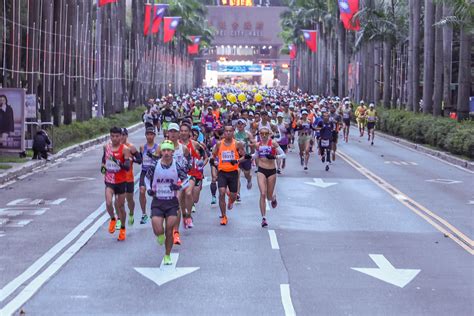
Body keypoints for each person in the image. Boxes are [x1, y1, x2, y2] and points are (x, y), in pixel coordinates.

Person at [145, 140, 189, 266]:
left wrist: (178, 187)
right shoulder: (155, 165)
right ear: (161, 152)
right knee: (158, 228)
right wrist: (149, 189)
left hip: (171, 202)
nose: (166, 153)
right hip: (158, 201)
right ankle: (159, 235)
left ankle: (167, 255)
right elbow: (147, 178)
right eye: (164, 150)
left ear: (172, 152)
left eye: (168, 150)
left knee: (169, 230)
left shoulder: (177, 165)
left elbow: (186, 179)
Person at [212, 124, 249, 225]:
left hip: (233, 172)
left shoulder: (237, 144)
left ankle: (231, 201)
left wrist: (236, 160)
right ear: (224, 133)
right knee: (222, 193)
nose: (228, 133)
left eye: (230, 131)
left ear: (233, 132)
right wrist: (214, 162)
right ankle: (224, 216)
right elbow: (214, 155)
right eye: (226, 131)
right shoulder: (219, 144)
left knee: (233, 195)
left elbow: (245, 156)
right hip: (222, 172)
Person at [101, 127, 131, 241]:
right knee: (109, 202)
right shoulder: (107, 147)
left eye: (117, 136)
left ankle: (123, 228)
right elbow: (104, 160)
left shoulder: (125, 149)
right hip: (109, 180)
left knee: (121, 206)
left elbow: (127, 167)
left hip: (121, 181)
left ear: (121, 136)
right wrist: (103, 167)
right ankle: (113, 219)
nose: (115, 138)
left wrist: (118, 162)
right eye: (112, 136)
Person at [254, 126, 286, 227]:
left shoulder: (273, 143)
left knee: (268, 196)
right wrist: (246, 157)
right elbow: (255, 155)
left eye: (265, 134)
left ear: (268, 134)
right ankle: (264, 218)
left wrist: (275, 157)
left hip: (271, 171)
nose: (263, 136)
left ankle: (273, 197)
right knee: (262, 194)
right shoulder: (257, 144)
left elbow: (283, 155)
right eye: (261, 134)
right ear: (259, 134)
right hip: (261, 170)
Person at [118, 128, 142, 227]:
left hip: (129, 178)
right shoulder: (115, 147)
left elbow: (140, 160)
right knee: (119, 200)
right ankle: (119, 219)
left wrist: (132, 159)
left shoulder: (131, 147)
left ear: (127, 136)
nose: (122, 137)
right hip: (118, 179)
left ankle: (131, 213)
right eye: (120, 135)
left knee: (129, 200)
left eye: (124, 135)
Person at [138, 127, 158, 225]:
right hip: (144, 172)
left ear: (154, 135)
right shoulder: (142, 147)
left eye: (151, 134)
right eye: (148, 134)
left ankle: (154, 211)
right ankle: (143, 213)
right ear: (145, 135)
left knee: (154, 194)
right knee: (142, 191)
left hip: (154, 172)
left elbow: (159, 160)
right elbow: (139, 159)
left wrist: (153, 156)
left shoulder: (158, 147)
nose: (149, 136)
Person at [234, 118, 255, 201]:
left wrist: (252, 154)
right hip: (237, 156)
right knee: (237, 174)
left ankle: (249, 179)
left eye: (242, 124)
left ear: (245, 125)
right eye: (238, 124)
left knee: (246, 173)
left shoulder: (248, 134)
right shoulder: (234, 134)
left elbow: (253, 144)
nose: (240, 125)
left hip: (246, 156)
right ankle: (238, 193)